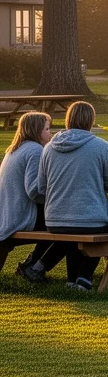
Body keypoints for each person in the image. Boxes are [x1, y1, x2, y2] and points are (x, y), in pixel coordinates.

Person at [37, 101, 108, 292]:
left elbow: (41, 186)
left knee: (75, 229)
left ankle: (69, 278)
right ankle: (84, 277)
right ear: (91, 120)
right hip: (89, 218)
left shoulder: (49, 147)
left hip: (54, 219)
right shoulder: (100, 146)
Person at [4, 112, 53, 283]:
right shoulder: (35, 150)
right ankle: (34, 266)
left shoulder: (14, 149)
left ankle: (32, 264)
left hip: (8, 214)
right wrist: (58, 198)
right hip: (23, 217)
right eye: (47, 129)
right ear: (36, 130)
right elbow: (34, 191)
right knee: (67, 221)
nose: (50, 133)